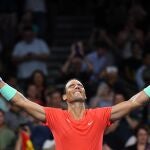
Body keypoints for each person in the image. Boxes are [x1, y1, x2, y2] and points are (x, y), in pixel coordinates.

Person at [0, 77, 150, 150]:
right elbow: (21, 102)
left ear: (85, 95)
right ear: (65, 97)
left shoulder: (99, 115)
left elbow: (133, 102)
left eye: (80, 85)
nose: (77, 87)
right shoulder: (55, 116)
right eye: (72, 86)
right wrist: (1, 85)